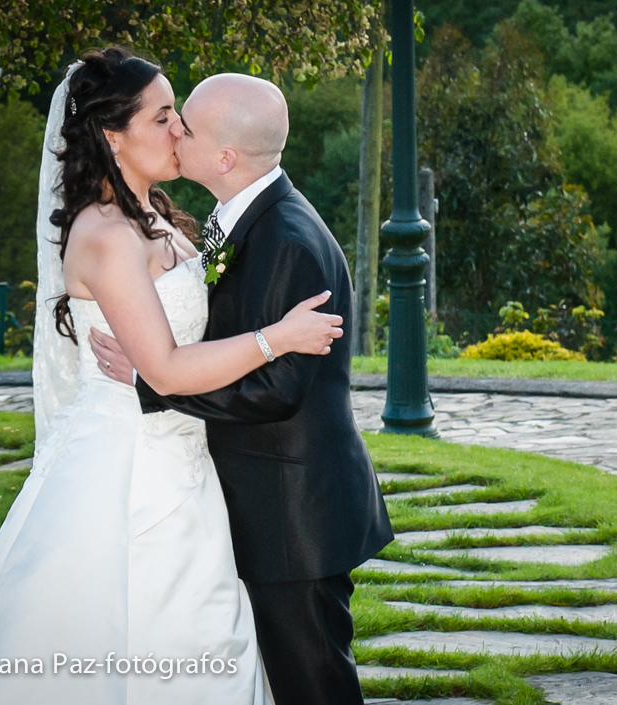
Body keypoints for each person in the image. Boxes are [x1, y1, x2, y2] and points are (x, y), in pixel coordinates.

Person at [0, 47, 344, 705]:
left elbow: (182, 341)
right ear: (111, 135)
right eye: (165, 117)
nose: (179, 132)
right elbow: (163, 365)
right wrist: (278, 337)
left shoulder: (159, 216)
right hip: (129, 466)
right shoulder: (105, 233)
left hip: (187, 462)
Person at [89, 71, 394, 705]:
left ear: (225, 157)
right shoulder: (241, 219)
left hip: (293, 509)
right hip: (265, 496)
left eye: (187, 126)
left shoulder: (288, 240)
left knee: (313, 683)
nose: (175, 130)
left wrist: (156, 384)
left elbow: (276, 391)